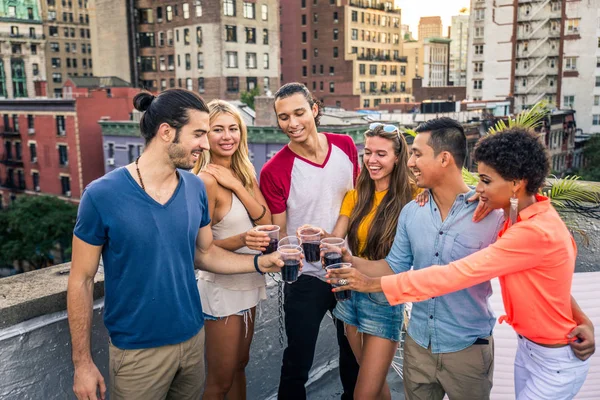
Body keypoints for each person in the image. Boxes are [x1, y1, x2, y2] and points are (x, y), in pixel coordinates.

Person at [328, 127, 596, 400]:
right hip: (426, 345)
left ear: (444, 159)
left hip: (475, 350)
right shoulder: (422, 210)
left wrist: (371, 284)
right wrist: (353, 262)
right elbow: (547, 283)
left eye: (485, 180)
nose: (479, 188)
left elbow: (455, 275)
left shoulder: (508, 222)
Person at [67, 89, 282, 400]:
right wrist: (82, 362)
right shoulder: (101, 194)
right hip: (137, 353)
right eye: (199, 134)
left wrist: (259, 263)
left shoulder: (194, 188)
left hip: (192, 341)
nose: (206, 145)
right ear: (166, 132)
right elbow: (81, 279)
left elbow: (205, 253)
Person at [329, 117, 504, 400]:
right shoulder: (412, 211)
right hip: (418, 346)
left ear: (444, 158)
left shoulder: (492, 215)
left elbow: (535, 262)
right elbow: (393, 266)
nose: (411, 162)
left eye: (417, 154)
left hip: (467, 350)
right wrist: (349, 259)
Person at [259, 83, 360, 400]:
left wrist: (341, 236)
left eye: (299, 112)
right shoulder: (273, 170)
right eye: (284, 117)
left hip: (348, 269)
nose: (293, 123)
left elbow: (356, 198)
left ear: (314, 109)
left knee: (354, 357)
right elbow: (280, 235)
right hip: (306, 278)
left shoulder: (345, 145)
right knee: (296, 363)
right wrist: (293, 249)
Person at [318, 123, 419, 399]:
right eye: (367, 152)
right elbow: (337, 239)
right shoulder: (356, 195)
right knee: (374, 387)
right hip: (349, 297)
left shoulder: (414, 197)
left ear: (398, 157)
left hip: (384, 298)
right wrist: (318, 236)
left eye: (381, 154)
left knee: (362, 393)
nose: (372, 160)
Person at [192, 100, 271, 400]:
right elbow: (200, 249)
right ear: (205, 135)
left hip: (248, 283)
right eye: (218, 129)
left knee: (240, 365)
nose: (227, 136)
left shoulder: (243, 172)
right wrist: (242, 240)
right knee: (219, 381)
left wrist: (237, 185)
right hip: (221, 292)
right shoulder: (204, 182)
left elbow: (266, 220)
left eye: (233, 129)